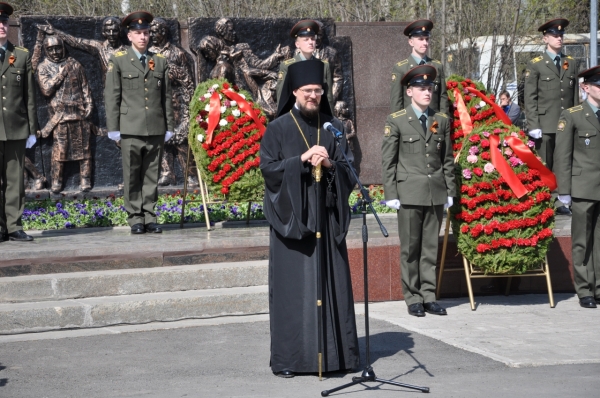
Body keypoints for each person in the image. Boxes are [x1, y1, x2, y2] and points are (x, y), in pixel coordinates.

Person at [260, 59, 359, 377]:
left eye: (318, 90)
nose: (313, 96)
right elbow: (268, 171)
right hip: (293, 224)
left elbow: (349, 170)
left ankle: (336, 359)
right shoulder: (276, 129)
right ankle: (291, 360)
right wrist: (300, 160)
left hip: (325, 221)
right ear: (294, 92)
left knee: (333, 287)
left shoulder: (334, 127)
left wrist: (330, 165)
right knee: (294, 294)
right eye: (307, 91)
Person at [381, 65, 456, 317]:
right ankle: (412, 296)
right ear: (410, 91)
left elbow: (446, 159)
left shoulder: (441, 120)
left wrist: (449, 190)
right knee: (411, 248)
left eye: (430, 87)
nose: (428, 92)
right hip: (409, 192)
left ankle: (429, 295)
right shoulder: (397, 120)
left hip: (435, 191)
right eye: (422, 88)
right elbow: (388, 160)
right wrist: (391, 193)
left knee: (430, 248)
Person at [104, 11, 174, 235]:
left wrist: (169, 126)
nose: (143, 37)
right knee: (132, 174)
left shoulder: (159, 61)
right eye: (138, 33)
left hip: (155, 126)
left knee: (151, 175)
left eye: (146, 33)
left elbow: (166, 97)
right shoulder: (119, 60)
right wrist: (113, 128)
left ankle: (150, 216)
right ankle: (135, 218)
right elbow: (112, 96)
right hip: (130, 127)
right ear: (129, 35)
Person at [554, 66, 600, 309]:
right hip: (583, 186)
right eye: (599, 84)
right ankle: (585, 290)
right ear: (586, 87)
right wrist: (564, 189)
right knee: (581, 240)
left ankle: (599, 286)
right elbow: (563, 155)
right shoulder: (572, 115)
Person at [524, 18, 578, 216]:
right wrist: (533, 124)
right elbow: (530, 98)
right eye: (555, 35)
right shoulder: (536, 64)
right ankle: (542, 201)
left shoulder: (570, 63)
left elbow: (573, 97)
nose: (559, 38)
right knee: (543, 164)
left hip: (565, 123)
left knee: (564, 162)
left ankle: (564, 200)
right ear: (545, 38)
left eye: (561, 35)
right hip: (544, 124)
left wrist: (576, 122)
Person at [34, 34, 94, 193]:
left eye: (58, 48)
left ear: (63, 48)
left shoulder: (74, 64)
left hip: (79, 114)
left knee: (84, 150)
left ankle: (86, 180)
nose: (55, 52)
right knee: (60, 151)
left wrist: (89, 104)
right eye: (51, 49)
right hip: (60, 116)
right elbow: (46, 90)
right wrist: (60, 74)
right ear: (46, 50)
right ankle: (57, 182)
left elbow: (85, 87)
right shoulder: (43, 67)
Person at [0, 3, 38, 242]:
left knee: (15, 181)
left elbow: (30, 97)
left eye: (4, 22)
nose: (1, 26)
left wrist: (31, 130)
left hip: (15, 127)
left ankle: (13, 225)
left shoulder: (21, 55)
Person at [149, 18, 198, 188]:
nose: (152, 35)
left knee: (182, 139)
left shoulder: (178, 53)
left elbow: (188, 81)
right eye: (150, 32)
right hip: (155, 104)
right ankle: (167, 173)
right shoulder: (146, 54)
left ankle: (190, 174)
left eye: (155, 32)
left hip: (176, 102)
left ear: (163, 32)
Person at [275, 19, 334, 113]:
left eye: (313, 39)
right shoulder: (288, 65)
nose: (311, 42)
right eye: (306, 40)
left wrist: (331, 118)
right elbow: (282, 95)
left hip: (317, 115)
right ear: (297, 44)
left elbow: (328, 96)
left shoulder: (324, 65)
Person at [389, 19, 448, 114]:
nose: (425, 43)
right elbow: (396, 101)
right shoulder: (401, 68)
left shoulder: (437, 66)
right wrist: (399, 126)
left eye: (427, 39)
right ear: (411, 42)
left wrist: (444, 122)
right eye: (420, 39)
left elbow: (443, 97)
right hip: (410, 123)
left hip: (434, 122)